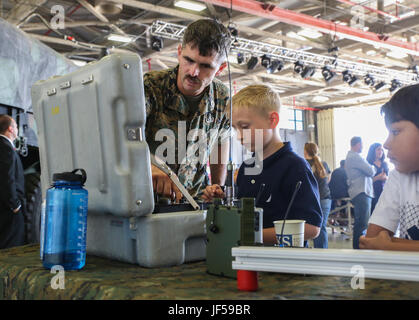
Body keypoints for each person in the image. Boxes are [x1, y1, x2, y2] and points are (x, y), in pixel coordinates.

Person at [202, 85, 322, 245]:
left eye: (244, 127)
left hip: (283, 264)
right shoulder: (247, 167)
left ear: (272, 120)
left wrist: (250, 235)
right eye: (235, 128)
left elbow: (311, 227)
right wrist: (222, 199)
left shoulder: (295, 167)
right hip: (248, 259)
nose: (239, 136)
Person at [143, 19, 232, 200]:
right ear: (179, 52)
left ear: (221, 68)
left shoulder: (222, 97)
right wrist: (148, 165)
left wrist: (217, 188)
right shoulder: (150, 87)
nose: (193, 72)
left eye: (205, 66)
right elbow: (122, 139)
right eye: (189, 60)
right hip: (150, 201)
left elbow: (221, 141)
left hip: (195, 201)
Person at [360, 84, 419, 251]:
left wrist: (391, 245)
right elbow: (371, 240)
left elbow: (379, 244)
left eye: (395, 132)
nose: (386, 144)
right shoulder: (399, 175)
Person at [345, 136, 376, 249]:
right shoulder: (355, 157)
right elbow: (371, 171)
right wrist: (373, 166)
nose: (363, 146)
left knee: (360, 223)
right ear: (357, 144)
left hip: (359, 192)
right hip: (361, 192)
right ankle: (358, 249)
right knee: (362, 224)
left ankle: (357, 248)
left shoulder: (351, 157)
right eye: (362, 144)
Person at [0, 115, 25, 249]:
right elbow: (6, 178)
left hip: (4, 207)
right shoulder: (5, 148)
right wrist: (15, 205)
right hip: (9, 210)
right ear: (10, 129)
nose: (17, 129)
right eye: (15, 126)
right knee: (10, 246)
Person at [304, 142, 331, 248]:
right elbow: (328, 179)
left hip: (312, 199)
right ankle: (322, 252)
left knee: (310, 227)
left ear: (305, 151)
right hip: (325, 198)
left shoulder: (304, 164)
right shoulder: (323, 164)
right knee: (322, 226)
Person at [366, 143, 389, 213]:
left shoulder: (384, 164)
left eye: (382, 150)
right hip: (372, 193)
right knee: (374, 212)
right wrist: (378, 177)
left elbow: (386, 177)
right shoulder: (368, 164)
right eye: (378, 149)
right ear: (373, 151)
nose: (380, 151)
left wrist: (384, 177)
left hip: (384, 191)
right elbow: (366, 181)